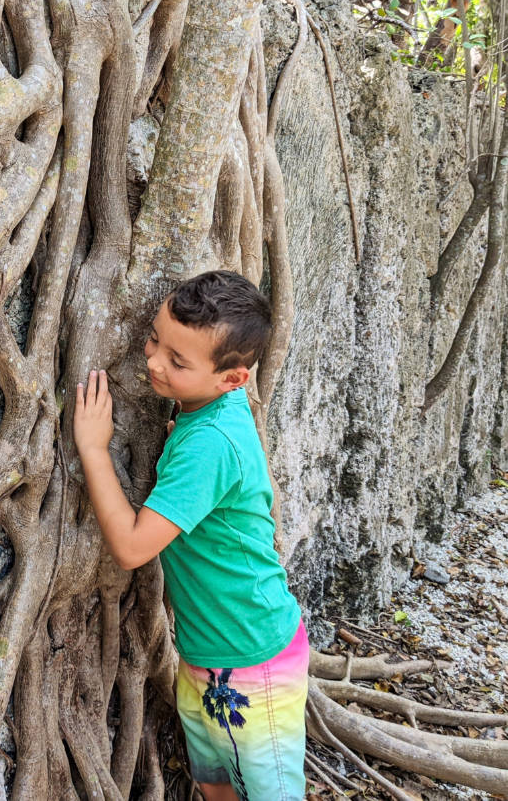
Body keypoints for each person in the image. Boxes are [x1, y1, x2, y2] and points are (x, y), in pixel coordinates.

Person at [72, 270, 307, 801]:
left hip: (252, 665)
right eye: (156, 339)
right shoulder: (204, 410)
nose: (153, 361)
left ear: (233, 379)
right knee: (214, 783)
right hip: (209, 655)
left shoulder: (211, 445)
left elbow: (133, 547)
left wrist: (92, 449)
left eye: (178, 362)